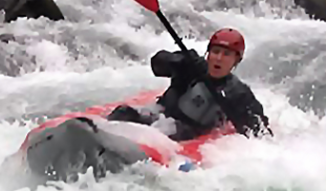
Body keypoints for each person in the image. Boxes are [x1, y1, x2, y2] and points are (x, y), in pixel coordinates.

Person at [107, 28, 271, 141]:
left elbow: (260, 132)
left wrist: (232, 109)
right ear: (208, 53)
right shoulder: (192, 64)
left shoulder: (238, 93)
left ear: (236, 60)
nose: (218, 58)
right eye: (215, 52)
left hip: (186, 132)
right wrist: (178, 61)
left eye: (226, 54)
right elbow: (156, 63)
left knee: (156, 133)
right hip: (160, 113)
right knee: (123, 113)